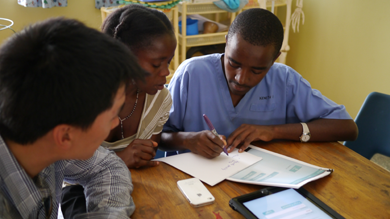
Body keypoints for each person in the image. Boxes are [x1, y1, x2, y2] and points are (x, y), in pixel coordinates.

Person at [161, 8, 358, 159]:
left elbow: (348, 128)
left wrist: (273, 131)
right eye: (233, 63)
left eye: (257, 70)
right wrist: (187, 140)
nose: (241, 78)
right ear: (226, 43)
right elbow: (155, 136)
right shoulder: (192, 74)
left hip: (260, 182)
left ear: (274, 59)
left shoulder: (284, 80)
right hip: (195, 186)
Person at [0, 17, 146, 218]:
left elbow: (107, 167)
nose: (117, 122)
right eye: (112, 115)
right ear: (65, 136)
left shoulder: (40, 130)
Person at [101, 4, 176, 168]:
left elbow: (143, 160)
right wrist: (119, 159)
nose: (166, 72)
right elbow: (62, 165)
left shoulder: (160, 99)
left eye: (168, 61)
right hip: (77, 190)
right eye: (156, 65)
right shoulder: (85, 96)